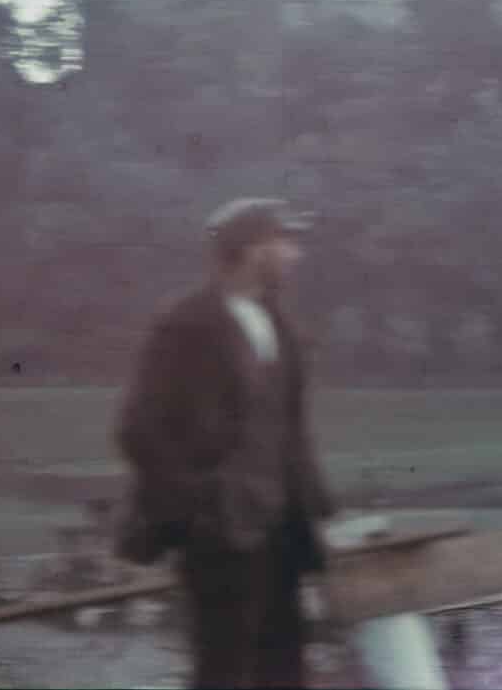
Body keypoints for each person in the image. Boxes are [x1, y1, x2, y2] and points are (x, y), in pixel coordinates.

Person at [115, 198, 336, 689]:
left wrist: (315, 506)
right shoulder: (186, 325)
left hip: (283, 525)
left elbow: (289, 427)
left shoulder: (278, 323)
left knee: (284, 665)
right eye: (285, 242)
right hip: (219, 531)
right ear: (254, 250)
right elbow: (138, 430)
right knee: (223, 668)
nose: (295, 254)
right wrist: (201, 503)